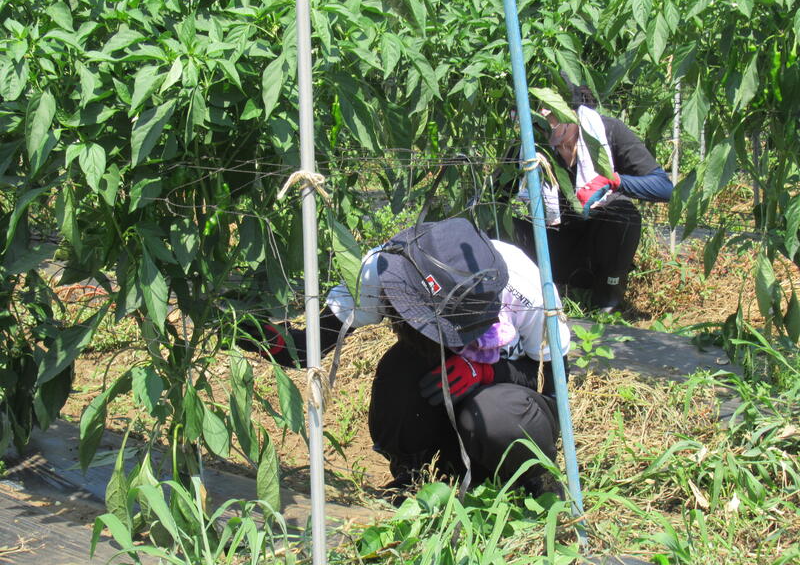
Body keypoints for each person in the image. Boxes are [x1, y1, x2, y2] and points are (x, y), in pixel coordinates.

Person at [240, 218, 570, 497]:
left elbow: (553, 391)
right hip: (439, 416)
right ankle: (417, 475)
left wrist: (487, 374)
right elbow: (308, 347)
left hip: (499, 408)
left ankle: (531, 479)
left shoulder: (525, 286)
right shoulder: (383, 269)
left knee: (498, 414)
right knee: (401, 370)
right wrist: (247, 329)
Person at [507, 89, 673, 312]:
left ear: (573, 111)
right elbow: (496, 197)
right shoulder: (531, 146)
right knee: (500, 227)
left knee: (624, 216)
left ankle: (607, 298)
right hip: (553, 242)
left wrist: (614, 181)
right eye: (537, 112)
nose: (544, 118)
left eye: (550, 110)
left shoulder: (608, 132)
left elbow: (664, 188)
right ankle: (526, 295)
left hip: (598, 247)